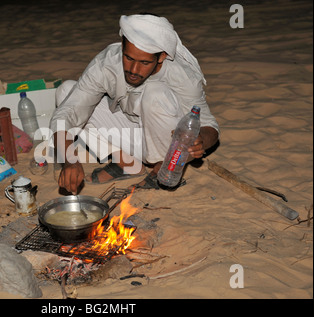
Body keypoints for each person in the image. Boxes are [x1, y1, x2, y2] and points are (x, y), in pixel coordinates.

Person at [49, 13, 219, 195]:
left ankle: (160, 166)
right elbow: (68, 112)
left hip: (168, 143)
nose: (133, 70)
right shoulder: (107, 62)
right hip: (131, 130)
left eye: (144, 62)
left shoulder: (182, 76)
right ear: (122, 47)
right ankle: (127, 163)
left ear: (161, 57)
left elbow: (210, 126)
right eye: (128, 58)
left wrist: (201, 139)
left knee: (155, 93)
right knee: (66, 90)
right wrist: (69, 160)